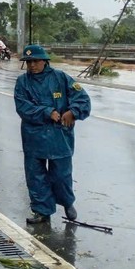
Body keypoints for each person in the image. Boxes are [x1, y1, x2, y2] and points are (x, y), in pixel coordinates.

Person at [14, 44, 91, 224]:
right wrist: (47, 112)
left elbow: (83, 99)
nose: (32, 65)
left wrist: (73, 112)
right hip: (33, 136)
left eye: (36, 61)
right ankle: (42, 211)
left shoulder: (61, 78)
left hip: (59, 136)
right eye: (28, 62)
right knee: (35, 175)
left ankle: (67, 202)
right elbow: (23, 107)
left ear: (44, 61)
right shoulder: (22, 82)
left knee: (61, 175)